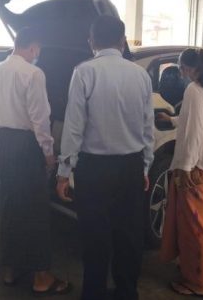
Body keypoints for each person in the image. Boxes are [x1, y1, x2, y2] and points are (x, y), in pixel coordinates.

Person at [56, 16, 155, 300]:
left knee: (94, 237)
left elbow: (74, 127)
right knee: (129, 236)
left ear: (92, 42)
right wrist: (145, 167)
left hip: (94, 170)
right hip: (130, 166)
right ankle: (127, 292)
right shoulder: (141, 75)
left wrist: (64, 172)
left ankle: (94, 293)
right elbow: (147, 127)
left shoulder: (84, 72)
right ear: (122, 41)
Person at [0, 27, 72, 297]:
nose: (38, 55)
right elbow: (40, 118)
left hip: (5, 144)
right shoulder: (33, 73)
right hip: (27, 145)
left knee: (9, 207)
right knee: (34, 211)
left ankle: (11, 269)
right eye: (38, 50)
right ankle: (41, 277)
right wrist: (48, 152)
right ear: (33, 47)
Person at [158, 48, 203, 298]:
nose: (182, 73)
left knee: (194, 229)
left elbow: (194, 132)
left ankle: (199, 282)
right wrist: (173, 120)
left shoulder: (195, 90)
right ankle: (195, 270)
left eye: (181, 68)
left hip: (196, 169)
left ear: (189, 68)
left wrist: (186, 168)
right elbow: (199, 121)